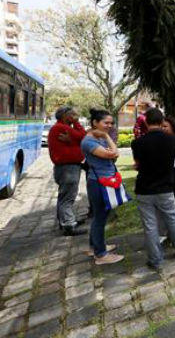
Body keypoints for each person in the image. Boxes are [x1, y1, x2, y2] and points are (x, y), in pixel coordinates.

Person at [131, 108, 175, 271]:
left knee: (150, 225)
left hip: (144, 189)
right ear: (161, 121)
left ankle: (155, 260)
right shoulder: (172, 140)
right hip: (165, 188)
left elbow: (138, 164)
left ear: (146, 122)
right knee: (172, 220)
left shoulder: (137, 143)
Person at [80, 109, 124, 265]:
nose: (110, 126)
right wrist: (106, 136)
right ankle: (100, 255)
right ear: (95, 123)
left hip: (104, 180)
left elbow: (113, 153)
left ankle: (95, 247)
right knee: (100, 217)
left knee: (100, 216)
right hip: (99, 182)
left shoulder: (97, 138)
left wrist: (105, 137)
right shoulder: (89, 141)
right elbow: (114, 154)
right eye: (106, 123)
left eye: (111, 123)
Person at [48, 106, 88, 236]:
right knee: (68, 197)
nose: (75, 117)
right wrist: (76, 123)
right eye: (73, 115)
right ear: (65, 116)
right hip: (67, 168)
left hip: (66, 167)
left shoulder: (62, 128)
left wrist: (71, 141)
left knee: (64, 196)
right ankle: (69, 225)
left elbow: (77, 140)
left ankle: (65, 221)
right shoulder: (61, 128)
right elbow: (83, 136)